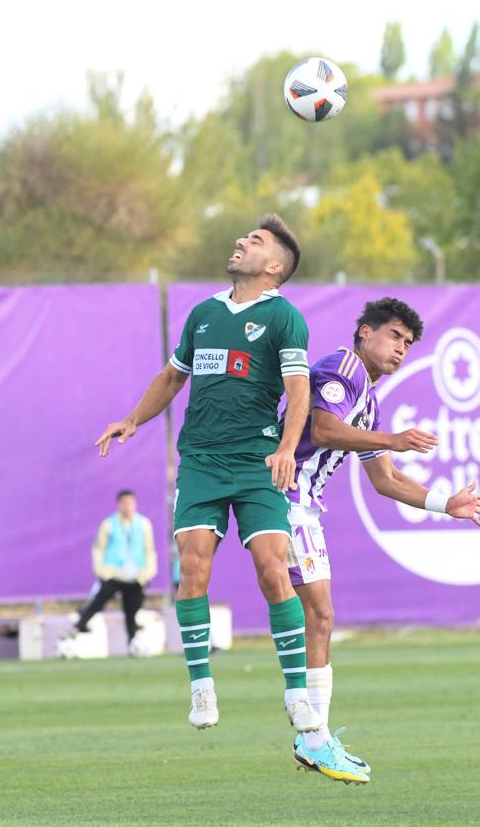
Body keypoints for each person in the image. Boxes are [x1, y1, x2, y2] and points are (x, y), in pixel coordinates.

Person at [95, 214, 321, 738]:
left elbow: (298, 390)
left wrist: (287, 448)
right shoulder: (203, 313)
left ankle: (296, 694)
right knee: (192, 566)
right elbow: (174, 376)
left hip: (256, 462)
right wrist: (132, 419)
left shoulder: (285, 318)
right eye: (246, 236)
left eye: (255, 240)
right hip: (200, 461)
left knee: (273, 569)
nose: (242, 241)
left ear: (273, 267)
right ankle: (201, 686)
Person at [284, 297, 480, 784]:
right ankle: (312, 737)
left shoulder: (369, 398)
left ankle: (315, 735)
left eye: (409, 343)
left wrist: (446, 504)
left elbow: (387, 481)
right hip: (284, 497)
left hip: (302, 506)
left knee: (319, 616)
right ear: (364, 332)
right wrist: (394, 438)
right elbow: (323, 428)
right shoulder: (345, 366)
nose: (401, 348)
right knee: (317, 615)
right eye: (395, 335)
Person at [67, 489, 157, 654]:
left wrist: (147, 573)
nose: (127, 506)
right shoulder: (109, 524)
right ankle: (77, 628)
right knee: (97, 602)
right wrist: (102, 571)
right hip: (113, 573)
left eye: (130, 503)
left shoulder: (143, 524)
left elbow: (149, 550)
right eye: (124, 503)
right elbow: (98, 548)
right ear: (118, 505)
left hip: (136, 576)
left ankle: (132, 643)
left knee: (132, 611)